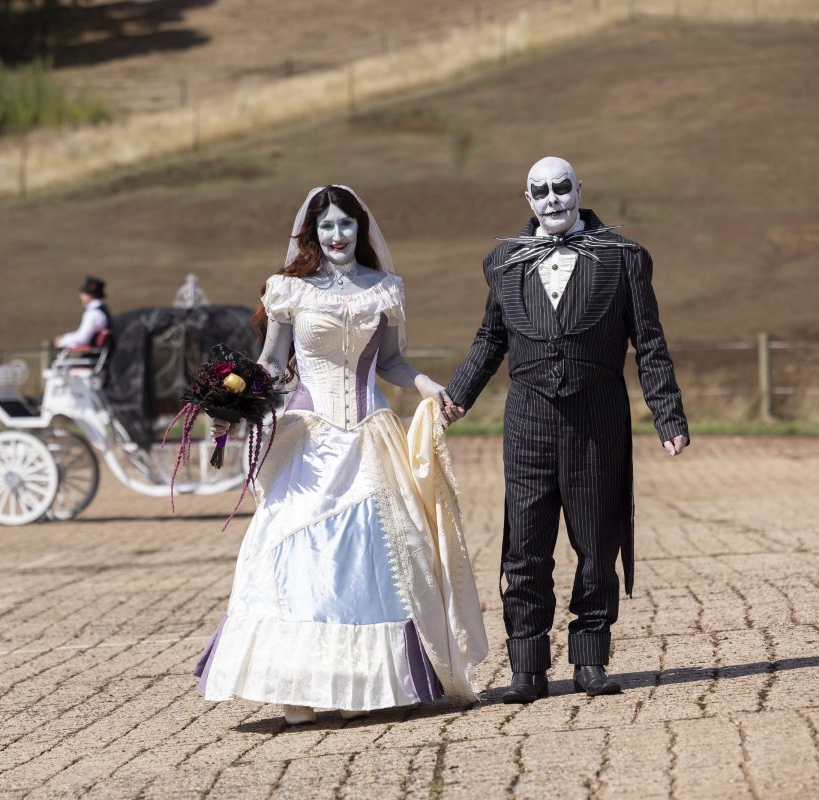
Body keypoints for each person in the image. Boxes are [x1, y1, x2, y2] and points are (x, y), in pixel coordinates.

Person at [193, 185, 488, 724]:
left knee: (376, 560)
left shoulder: (386, 290)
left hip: (371, 433)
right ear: (312, 233)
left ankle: (363, 686)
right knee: (300, 556)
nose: (336, 235)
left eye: (345, 225)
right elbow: (270, 360)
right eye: (326, 226)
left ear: (361, 230)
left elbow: (394, 361)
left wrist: (425, 385)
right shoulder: (289, 291)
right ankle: (299, 692)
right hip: (310, 436)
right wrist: (231, 396)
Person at [443, 157, 689, 703]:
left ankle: (590, 661)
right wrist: (456, 396)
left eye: (561, 188)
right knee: (525, 545)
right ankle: (527, 670)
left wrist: (667, 414)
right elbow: (490, 337)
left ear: (579, 189)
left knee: (597, 542)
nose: (552, 199)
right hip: (527, 420)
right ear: (526, 199)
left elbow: (648, 341)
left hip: (597, 417)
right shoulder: (505, 262)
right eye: (540, 192)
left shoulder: (623, 259)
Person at [54, 276, 112, 350]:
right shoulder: (101, 311)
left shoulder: (93, 314)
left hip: (92, 354)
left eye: (83, 293)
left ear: (90, 295)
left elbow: (82, 339)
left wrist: (62, 341)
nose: (81, 296)